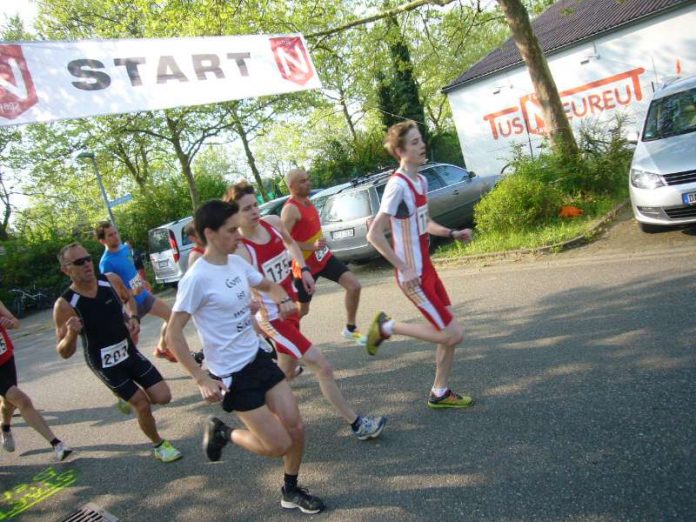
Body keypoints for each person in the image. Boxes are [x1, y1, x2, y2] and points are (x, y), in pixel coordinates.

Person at [166, 199, 325, 514]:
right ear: (210, 233)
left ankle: (290, 490)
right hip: (232, 374)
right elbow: (173, 334)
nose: (239, 235)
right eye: (231, 230)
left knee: (295, 427)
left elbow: (265, 283)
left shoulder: (235, 263)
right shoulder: (196, 279)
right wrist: (200, 378)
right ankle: (225, 433)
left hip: (256, 358)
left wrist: (280, 298)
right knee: (277, 444)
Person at [225, 182, 387, 440]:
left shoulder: (273, 223)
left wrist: (305, 269)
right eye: (247, 209)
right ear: (234, 215)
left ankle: (262, 418)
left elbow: (291, 244)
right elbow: (247, 289)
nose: (254, 211)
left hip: (291, 311)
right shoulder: (241, 250)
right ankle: (357, 424)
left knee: (286, 373)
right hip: (274, 319)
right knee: (322, 366)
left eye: (255, 205)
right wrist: (266, 303)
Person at [365, 120, 475, 409]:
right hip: (412, 275)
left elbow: (424, 222)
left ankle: (440, 391)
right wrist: (404, 267)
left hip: (428, 269)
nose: (421, 145)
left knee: (447, 334)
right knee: (454, 334)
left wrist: (452, 233)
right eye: (414, 142)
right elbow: (374, 234)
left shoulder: (421, 181)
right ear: (401, 151)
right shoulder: (396, 185)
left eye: (420, 139)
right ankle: (388, 327)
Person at [54, 243, 182, 463]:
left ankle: (122, 395)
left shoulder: (110, 279)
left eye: (88, 258)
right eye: (79, 262)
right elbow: (64, 352)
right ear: (66, 270)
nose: (86, 264)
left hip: (128, 351)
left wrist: (133, 317)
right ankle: (159, 445)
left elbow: (128, 298)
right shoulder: (65, 304)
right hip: (104, 363)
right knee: (141, 403)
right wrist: (71, 334)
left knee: (163, 397)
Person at [281, 168, 365, 345]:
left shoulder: (308, 202)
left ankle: (350, 329)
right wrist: (310, 245)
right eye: (303, 181)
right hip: (304, 266)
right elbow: (284, 241)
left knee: (354, 286)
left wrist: (318, 240)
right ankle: (286, 338)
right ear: (291, 186)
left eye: (308, 179)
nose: (308, 183)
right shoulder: (290, 210)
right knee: (302, 310)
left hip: (323, 258)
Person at [0, 300, 72, 461]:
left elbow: (16, 323)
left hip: (5, 358)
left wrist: (9, 323)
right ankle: (57, 444)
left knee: (9, 402)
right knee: (22, 400)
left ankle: (4, 427)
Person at [96, 222, 177, 362]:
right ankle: (132, 369)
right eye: (111, 235)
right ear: (102, 240)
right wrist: (132, 292)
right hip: (129, 307)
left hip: (144, 296)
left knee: (172, 317)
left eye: (116, 232)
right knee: (132, 342)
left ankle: (162, 349)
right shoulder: (106, 263)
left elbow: (131, 270)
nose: (116, 236)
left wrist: (142, 281)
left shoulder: (125, 249)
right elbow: (113, 292)